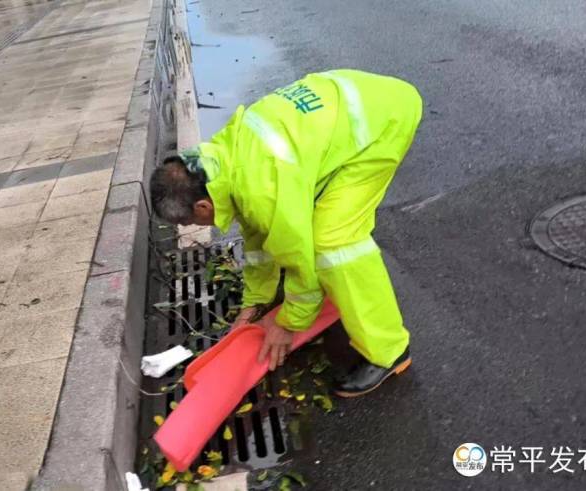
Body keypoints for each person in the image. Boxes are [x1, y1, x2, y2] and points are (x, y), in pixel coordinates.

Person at [150, 69, 422, 397]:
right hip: (362, 104)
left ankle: (390, 350)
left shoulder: (262, 187)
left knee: (333, 241)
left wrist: (287, 323)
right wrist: (256, 302)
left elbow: (296, 254)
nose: (190, 228)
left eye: (187, 222)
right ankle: (343, 291)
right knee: (307, 229)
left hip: (383, 123)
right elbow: (259, 238)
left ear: (204, 207)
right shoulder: (221, 163)